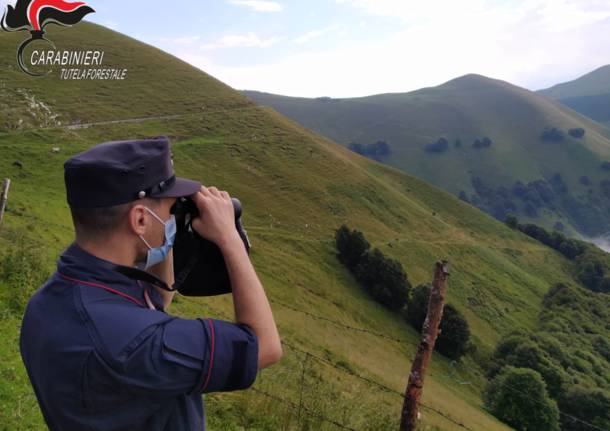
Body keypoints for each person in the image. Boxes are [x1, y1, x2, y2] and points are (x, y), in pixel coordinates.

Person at [19, 136, 282, 430]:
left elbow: (155, 300)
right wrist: (228, 237)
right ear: (140, 220)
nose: (173, 218)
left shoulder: (53, 299)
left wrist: (166, 235)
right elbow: (264, 347)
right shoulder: (135, 342)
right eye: (171, 211)